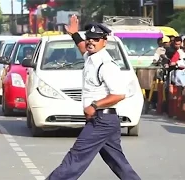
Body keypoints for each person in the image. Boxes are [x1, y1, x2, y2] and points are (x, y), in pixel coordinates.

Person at [46, 15, 141, 180]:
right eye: (89, 38)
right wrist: (75, 34)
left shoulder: (107, 65)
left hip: (102, 120)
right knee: (118, 163)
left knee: (76, 157)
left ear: (104, 42)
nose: (90, 42)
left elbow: (119, 94)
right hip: (104, 121)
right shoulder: (91, 57)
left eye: (96, 39)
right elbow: (83, 48)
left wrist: (95, 105)